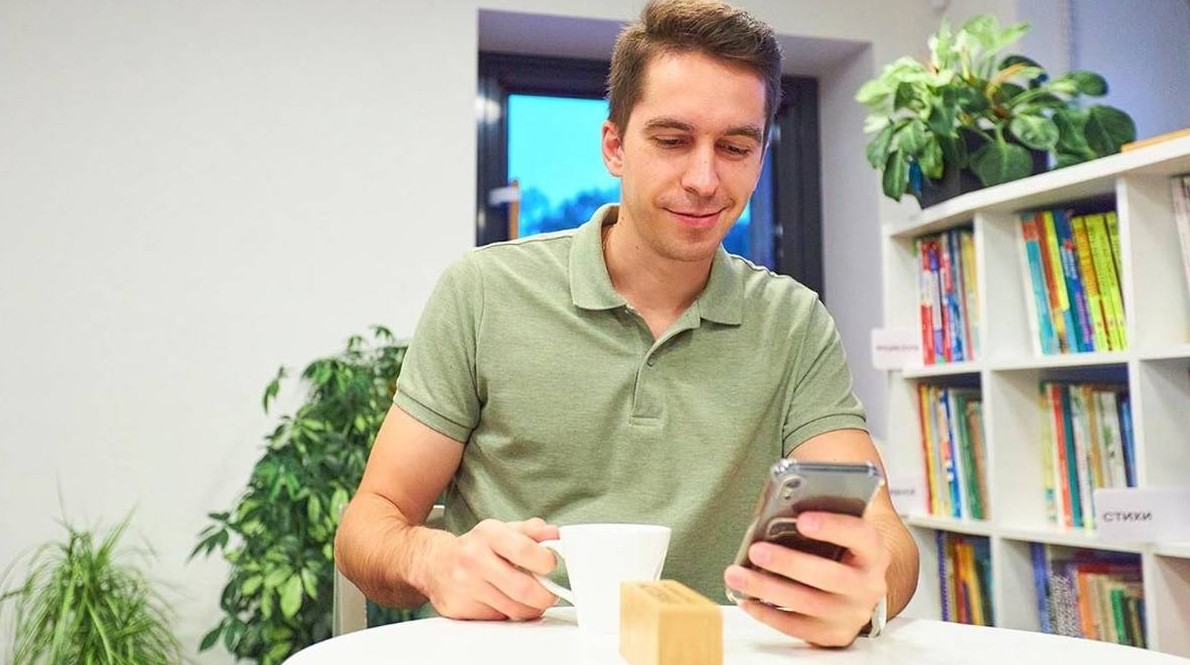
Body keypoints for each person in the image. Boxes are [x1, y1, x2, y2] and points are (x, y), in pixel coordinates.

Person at [335, 0, 919, 647]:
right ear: (614, 146)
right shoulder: (483, 292)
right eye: (672, 141)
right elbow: (369, 523)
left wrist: (866, 590)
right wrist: (433, 558)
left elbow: (888, 537)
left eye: (735, 147)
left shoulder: (793, 321)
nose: (704, 179)